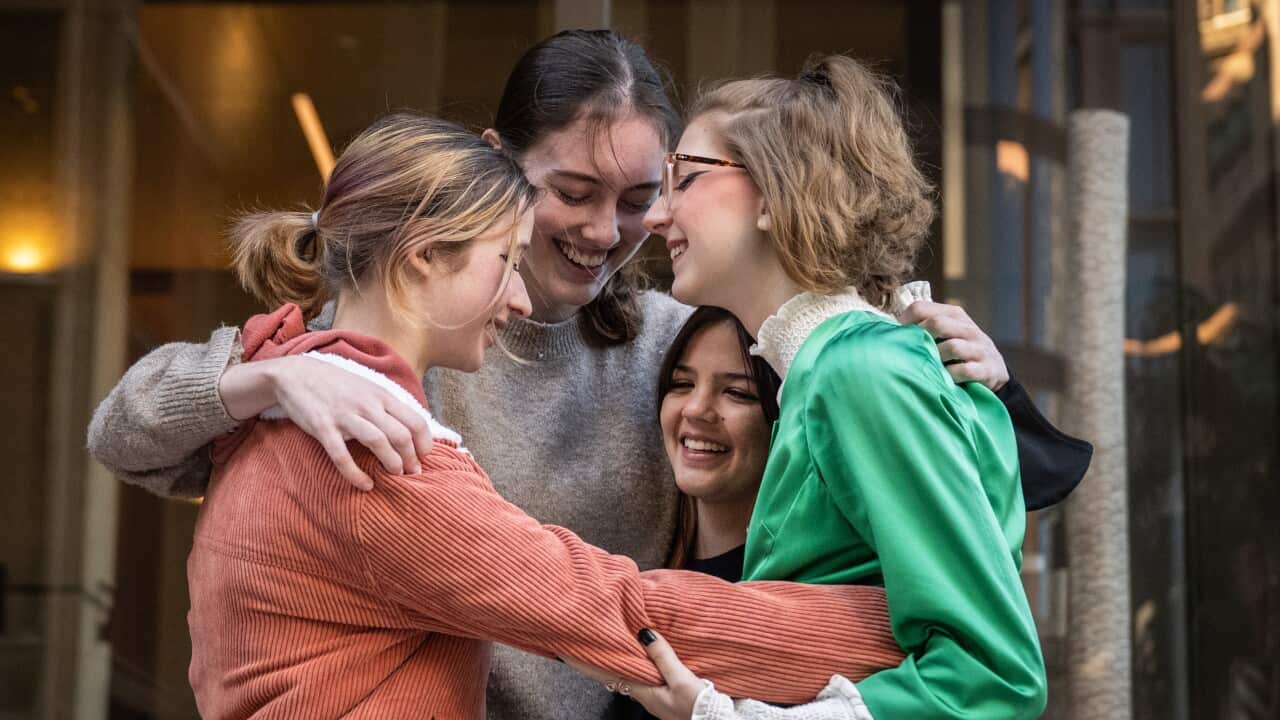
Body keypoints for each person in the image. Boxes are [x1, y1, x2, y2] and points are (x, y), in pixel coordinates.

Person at [87, 30, 1079, 720]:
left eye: (647, 193)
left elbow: (925, 470)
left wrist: (974, 377)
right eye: (571, 192)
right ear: (491, 175)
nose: (615, 230)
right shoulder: (351, 392)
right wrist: (265, 381)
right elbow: (121, 433)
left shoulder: (683, 340)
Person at [188, 110, 912, 719]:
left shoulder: (290, 386)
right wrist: (900, 624)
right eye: (503, 261)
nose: (522, 300)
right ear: (422, 259)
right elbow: (611, 607)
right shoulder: (369, 453)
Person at [616, 54, 1049, 719]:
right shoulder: (829, 369)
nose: (655, 215)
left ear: (774, 195)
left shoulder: (860, 369)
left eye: (687, 178)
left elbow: (993, 675)